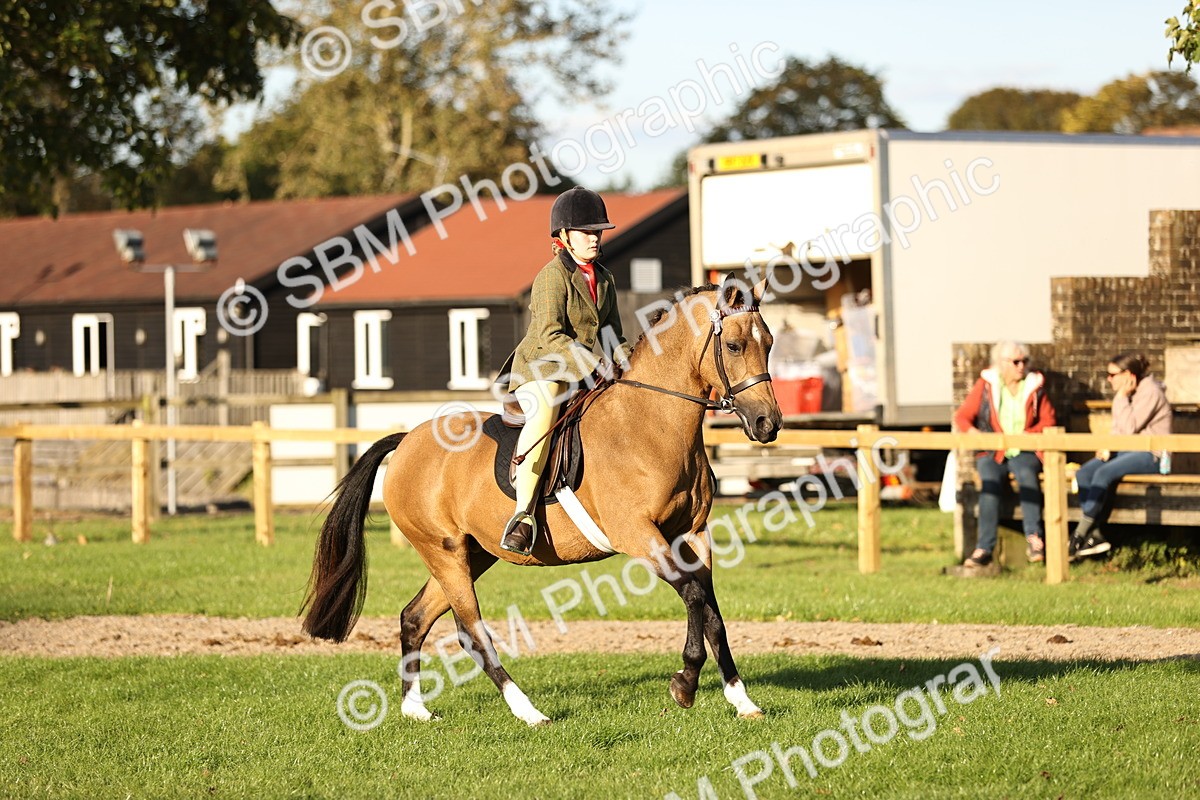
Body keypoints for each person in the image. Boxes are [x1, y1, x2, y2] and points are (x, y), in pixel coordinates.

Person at [497, 187, 630, 556]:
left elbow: (611, 333)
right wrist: (595, 363)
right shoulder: (551, 277)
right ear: (563, 237)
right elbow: (549, 335)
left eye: (598, 231)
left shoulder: (604, 278)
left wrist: (629, 364)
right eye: (586, 231)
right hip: (541, 371)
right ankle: (522, 515)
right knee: (543, 418)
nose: (594, 237)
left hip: (585, 373)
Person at [953, 341, 1057, 567]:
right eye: (1016, 362)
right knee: (989, 484)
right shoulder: (987, 384)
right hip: (993, 450)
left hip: (1024, 448)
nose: (1022, 366)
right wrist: (976, 435)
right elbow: (962, 417)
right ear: (1002, 364)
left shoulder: (1035, 386)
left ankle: (1034, 539)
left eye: (1025, 361)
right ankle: (984, 548)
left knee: (1027, 476)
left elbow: (1049, 421)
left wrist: (1029, 435)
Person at [1070, 353, 1172, 560]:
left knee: (1103, 473)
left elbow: (1130, 428)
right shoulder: (1127, 396)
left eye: (1112, 374)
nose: (1109, 379)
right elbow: (1118, 431)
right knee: (1084, 473)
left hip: (1152, 455)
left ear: (1128, 375)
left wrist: (1120, 398)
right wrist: (1108, 447)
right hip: (1127, 450)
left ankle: (1078, 536)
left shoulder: (1151, 392)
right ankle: (1096, 535)